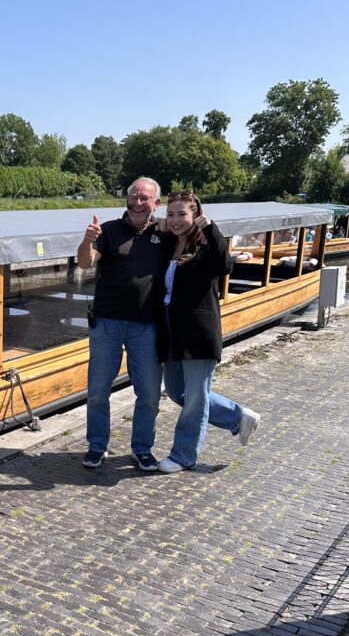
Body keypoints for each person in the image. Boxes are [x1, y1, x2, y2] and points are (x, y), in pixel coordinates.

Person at [157, 190, 261, 473]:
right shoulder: (167, 245)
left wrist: (210, 229)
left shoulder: (205, 247)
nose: (176, 220)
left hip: (198, 330)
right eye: (171, 214)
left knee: (196, 398)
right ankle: (238, 417)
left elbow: (224, 265)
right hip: (169, 328)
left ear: (196, 216)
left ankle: (183, 455)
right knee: (178, 392)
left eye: (182, 214)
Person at [76, 176, 166, 471]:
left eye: (145, 198)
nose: (138, 203)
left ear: (156, 203)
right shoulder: (110, 230)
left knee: (150, 394)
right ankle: (96, 446)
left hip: (147, 326)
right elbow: (85, 263)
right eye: (134, 197)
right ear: (127, 199)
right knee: (98, 390)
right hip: (107, 323)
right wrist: (88, 240)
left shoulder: (165, 232)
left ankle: (141, 449)